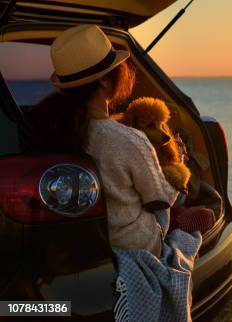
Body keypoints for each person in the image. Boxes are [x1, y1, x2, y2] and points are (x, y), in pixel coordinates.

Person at [34, 24, 178, 258]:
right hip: (129, 243)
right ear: (103, 80)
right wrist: (176, 162)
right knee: (186, 207)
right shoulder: (128, 139)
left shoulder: (54, 128)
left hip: (85, 241)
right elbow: (159, 200)